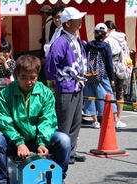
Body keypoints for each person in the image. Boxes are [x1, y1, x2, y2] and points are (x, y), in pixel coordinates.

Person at [0, 55, 71, 184]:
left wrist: (42, 142)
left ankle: (58, 177)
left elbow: (48, 120)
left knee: (64, 140)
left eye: (32, 78)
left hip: (39, 139)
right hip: (15, 140)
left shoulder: (45, 93)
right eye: (23, 78)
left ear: (37, 75)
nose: (28, 82)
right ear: (16, 75)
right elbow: (4, 121)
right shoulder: (5, 94)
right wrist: (19, 143)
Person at [45, 7, 87, 164]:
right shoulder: (61, 41)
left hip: (77, 85)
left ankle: (71, 151)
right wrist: (53, 79)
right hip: (66, 85)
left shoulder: (76, 39)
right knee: (65, 122)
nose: (80, 21)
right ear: (68, 23)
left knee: (76, 120)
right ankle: (62, 153)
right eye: (77, 19)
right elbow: (51, 62)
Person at [83, 23, 117, 129]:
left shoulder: (88, 45)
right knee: (107, 96)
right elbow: (109, 64)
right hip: (102, 76)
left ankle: (95, 121)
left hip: (89, 76)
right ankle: (115, 119)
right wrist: (112, 78)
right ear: (104, 35)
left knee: (91, 97)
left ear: (95, 33)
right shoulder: (105, 46)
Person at [104, 20, 129, 128]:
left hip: (112, 68)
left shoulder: (108, 39)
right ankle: (118, 118)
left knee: (111, 93)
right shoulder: (122, 38)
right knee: (120, 93)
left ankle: (112, 118)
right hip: (122, 67)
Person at [38, 4, 53, 85]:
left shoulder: (48, 24)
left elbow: (47, 41)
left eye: (42, 14)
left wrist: (44, 56)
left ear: (44, 13)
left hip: (47, 53)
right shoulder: (52, 22)